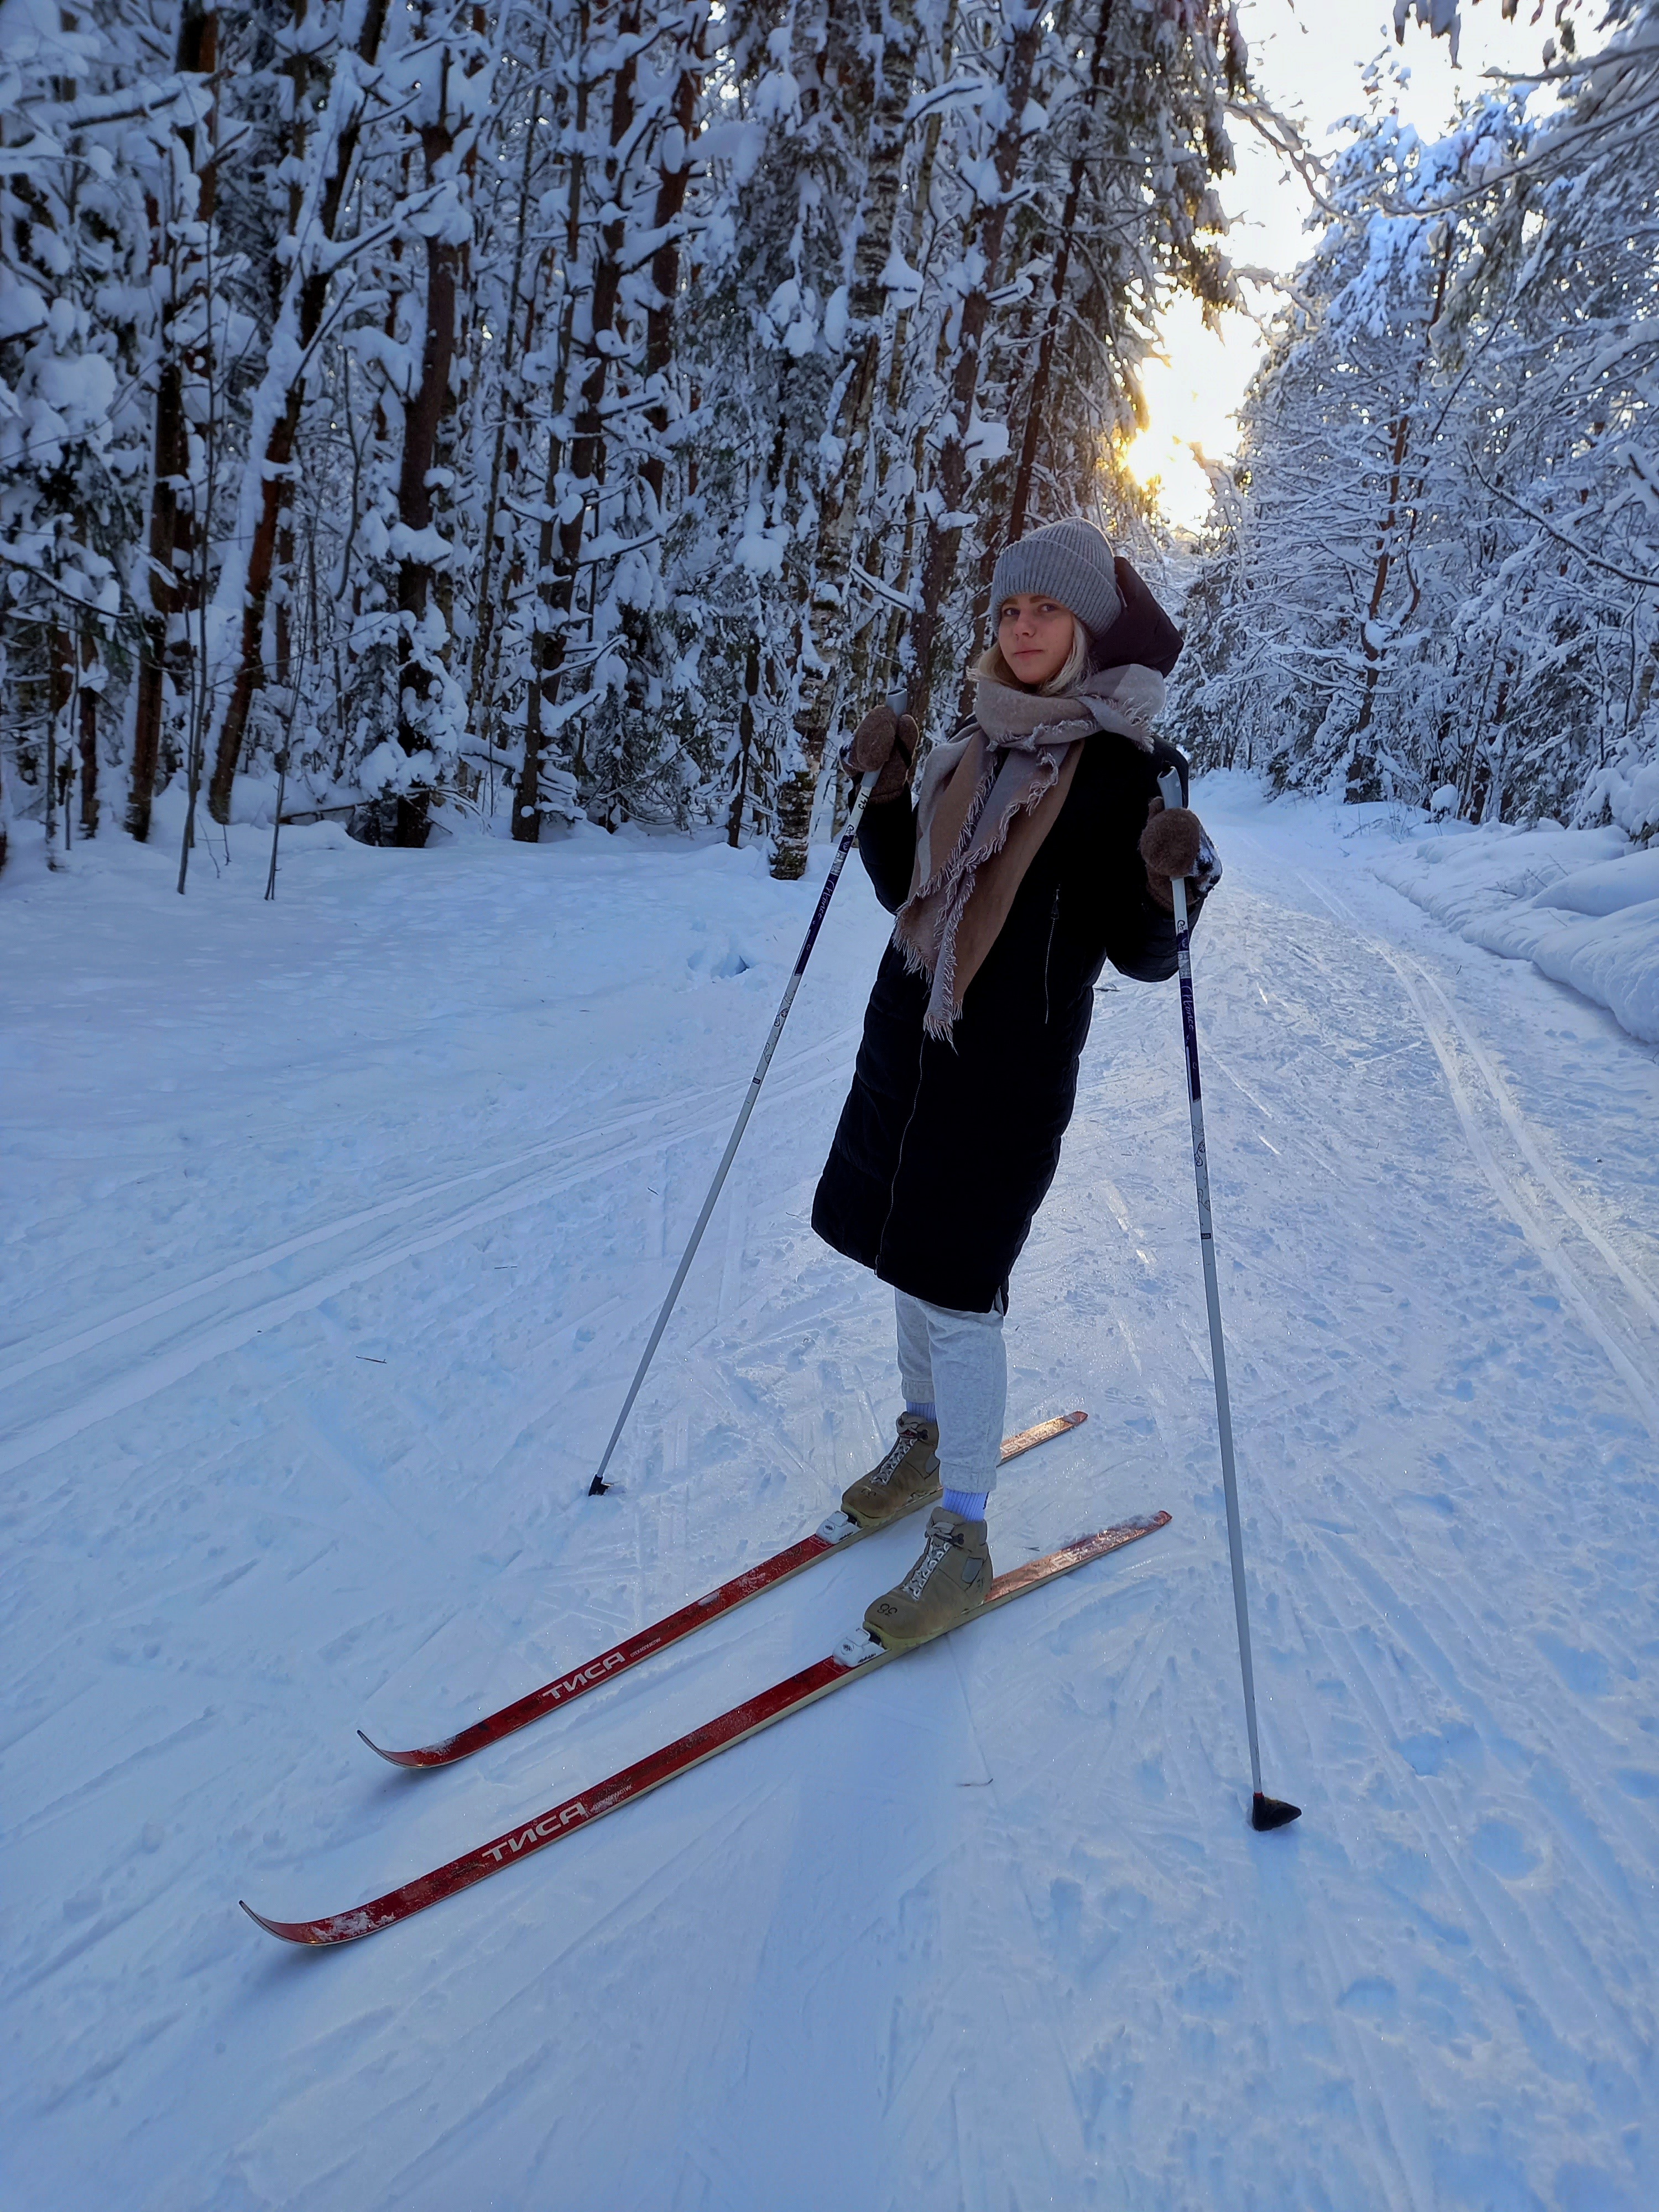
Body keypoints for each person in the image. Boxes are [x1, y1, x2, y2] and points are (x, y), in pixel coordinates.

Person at [811, 518, 1220, 1651]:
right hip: (910, 1041)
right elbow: (909, 888)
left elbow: (1148, 955)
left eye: (1046, 610)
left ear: (1088, 631)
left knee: (959, 1290)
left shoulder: (1122, 770)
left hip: (1004, 1077)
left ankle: (965, 1535)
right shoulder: (974, 737)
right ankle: (926, 1433)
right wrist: (893, 787)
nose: (1023, 626)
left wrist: (1171, 876)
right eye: (1008, 609)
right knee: (906, 1262)